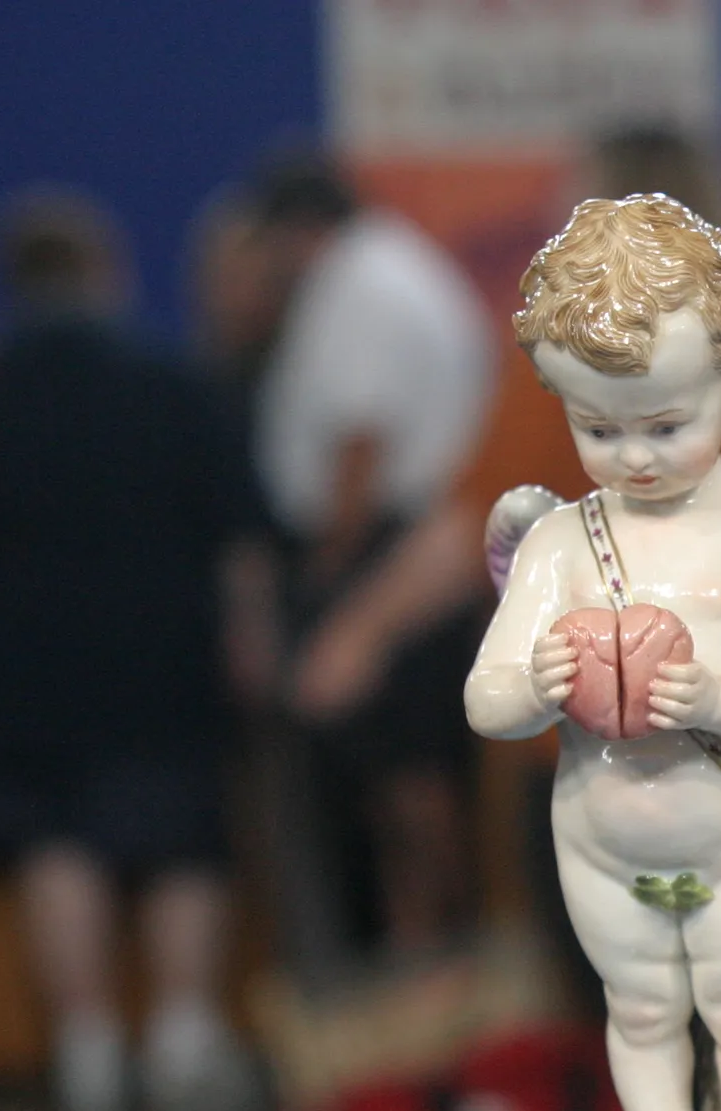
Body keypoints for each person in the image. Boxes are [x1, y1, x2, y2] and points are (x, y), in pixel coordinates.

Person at [466, 195, 721, 1111]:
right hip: (600, 840)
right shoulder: (557, 545)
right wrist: (536, 684)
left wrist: (717, 695)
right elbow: (488, 698)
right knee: (637, 1009)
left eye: (667, 425)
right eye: (598, 428)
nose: (634, 456)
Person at [0, 190, 260, 1111]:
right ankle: (183, 1034)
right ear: (107, 272)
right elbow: (238, 524)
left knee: (55, 839)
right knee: (181, 837)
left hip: (15, 655)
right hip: (161, 644)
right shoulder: (171, 378)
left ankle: (86, 1047)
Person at [249, 154, 495, 965]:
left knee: (406, 770)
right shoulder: (390, 270)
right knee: (402, 769)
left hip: (393, 552)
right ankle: (421, 946)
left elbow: (362, 435)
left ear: (294, 235)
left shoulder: (363, 286)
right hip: (397, 542)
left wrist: (332, 563)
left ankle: (432, 947)